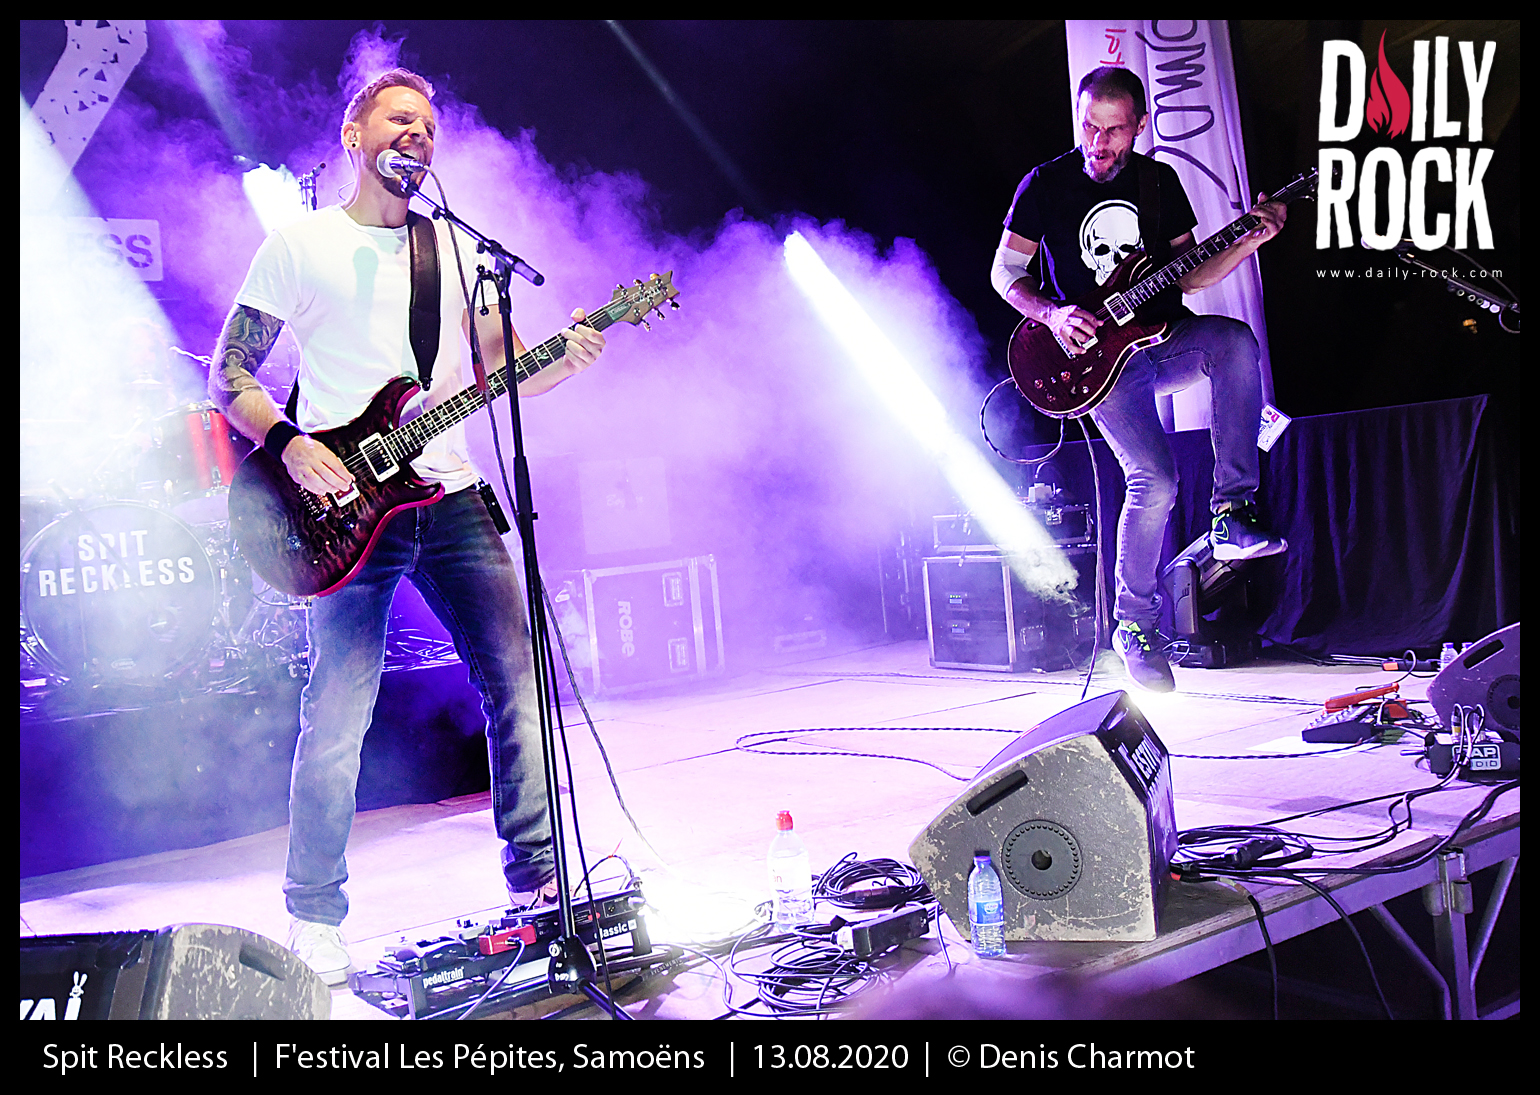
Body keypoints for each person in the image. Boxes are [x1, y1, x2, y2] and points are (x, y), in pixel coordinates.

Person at [209, 69, 605, 984]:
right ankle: (314, 913)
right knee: (338, 709)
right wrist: (290, 443)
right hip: (343, 508)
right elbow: (229, 373)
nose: (418, 134)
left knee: (518, 683)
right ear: (355, 135)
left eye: (429, 125)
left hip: (451, 493)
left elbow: (505, 367)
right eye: (399, 118)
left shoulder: (456, 250)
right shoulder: (301, 245)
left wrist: (571, 355)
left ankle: (540, 884)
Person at [992, 66, 1287, 693]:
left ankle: (1233, 510)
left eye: (1114, 130)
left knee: (1234, 342)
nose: (1098, 143)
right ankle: (1135, 625)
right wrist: (1052, 313)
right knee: (1155, 480)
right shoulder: (1045, 184)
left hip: (1162, 339)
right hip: (1095, 361)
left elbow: (1191, 275)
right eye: (1088, 127)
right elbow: (1005, 272)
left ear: (1140, 126)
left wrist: (1248, 241)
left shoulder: (1159, 182)